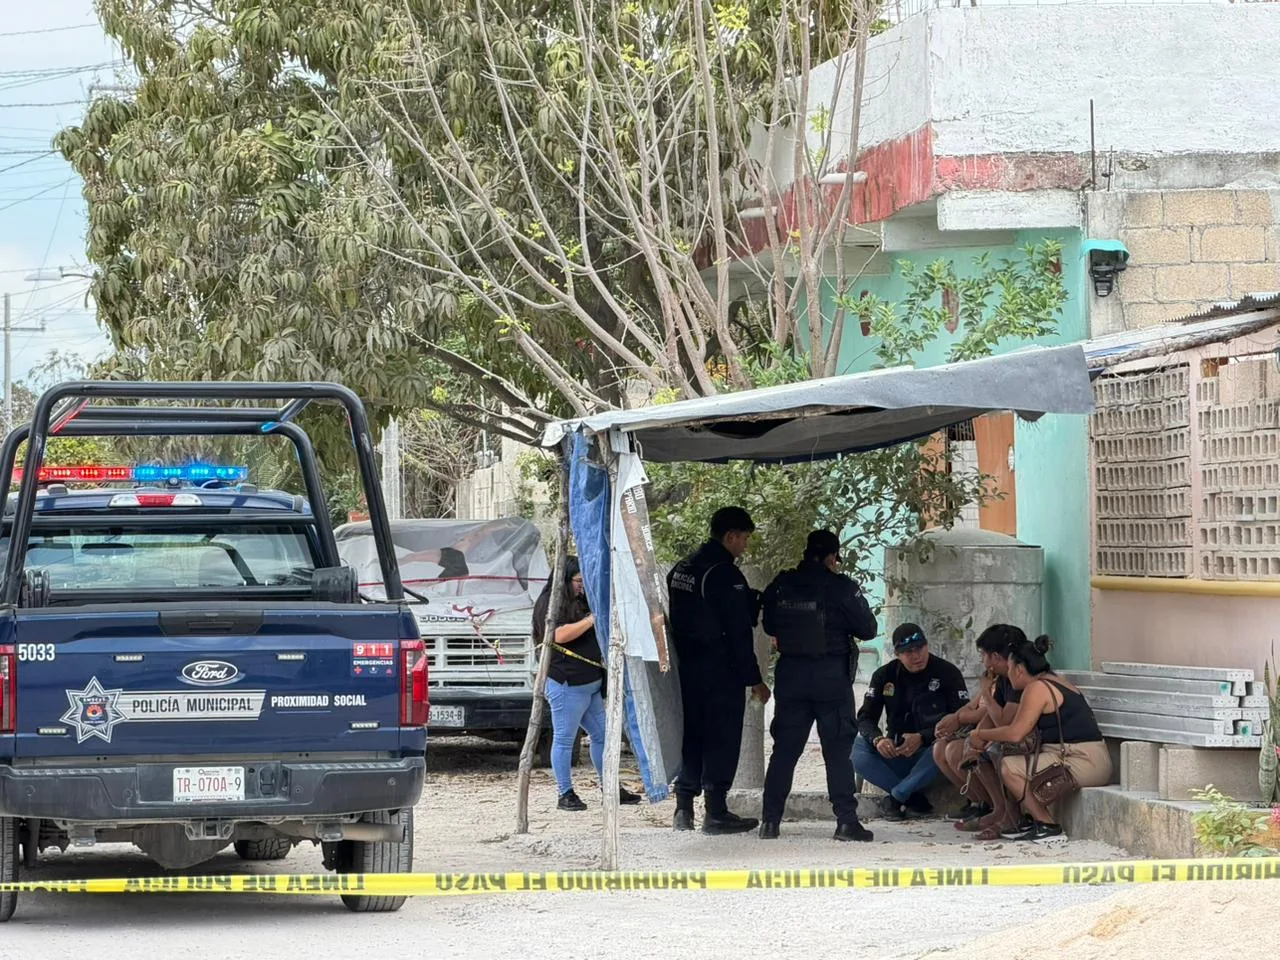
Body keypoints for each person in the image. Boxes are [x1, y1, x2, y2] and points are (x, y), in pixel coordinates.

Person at [758, 531, 878, 842]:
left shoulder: (782, 584)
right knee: (837, 751)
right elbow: (868, 629)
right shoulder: (840, 587)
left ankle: (769, 822)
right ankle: (846, 822)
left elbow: (769, 624)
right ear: (831, 557)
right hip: (829, 676)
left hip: (791, 675)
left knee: (784, 750)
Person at [668, 506, 771, 834]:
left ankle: (683, 809)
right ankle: (716, 812)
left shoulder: (682, 567)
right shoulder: (725, 574)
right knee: (722, 738)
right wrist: (754, 679)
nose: (745, 547)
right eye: (744, 539)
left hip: (686, 668)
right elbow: (739, 634)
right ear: (730, 536)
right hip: (719, 671)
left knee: (691, 736)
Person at [966, 635, 1112, 845]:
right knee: (1008, 755)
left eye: (1009, 668)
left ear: (1019, 669)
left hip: (1082, 760)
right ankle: (1027, 820)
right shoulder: (1054, 681)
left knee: (1010, 767)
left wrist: (980, 735)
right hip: (1090, 758)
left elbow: (1016, 733)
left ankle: (1047, 825)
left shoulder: (1037, 688)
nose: (1008, 674)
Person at [532, 557, 641, 811]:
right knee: (565, 739)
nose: (582, 585)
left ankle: (610, 786)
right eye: (578, 581)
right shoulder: (549, 604)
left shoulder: (582, 600)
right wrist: (591, 619)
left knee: (602, 736)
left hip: (590, 683)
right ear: (565, 580)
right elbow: (557, 635)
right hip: (566, 683)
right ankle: (565, 792)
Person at [852, 623, 969, 820]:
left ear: (927, 645)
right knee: (853, 748)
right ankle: (912, 798)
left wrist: (923, 737)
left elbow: (963, 719)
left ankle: (897, 797)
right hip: (896, 752)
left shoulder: (947, 673)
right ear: (897, 654)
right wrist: (878, 740)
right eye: (908, 652)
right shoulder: (883, 676)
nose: (916, 656)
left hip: (932, 755)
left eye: (920, 648)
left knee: (945, 745)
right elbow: (864, 718)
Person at [932, 623, 1027, 832]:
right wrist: (975, 736)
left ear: (996, 656)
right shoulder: (1003, 679)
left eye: (983, 655)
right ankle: (995, 807)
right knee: (972, 749)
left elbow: (1002, 720)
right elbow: (992, 716)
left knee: (987, 752)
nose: (982, 661)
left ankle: (1008, 813)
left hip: (1031, 740)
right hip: (1008, 734)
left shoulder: (1018, 679)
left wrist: (985, 692)